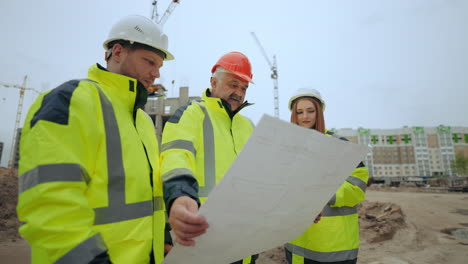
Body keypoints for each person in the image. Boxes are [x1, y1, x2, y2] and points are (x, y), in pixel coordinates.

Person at [16, 15, 174, 264]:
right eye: (149, 62)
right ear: (118, 52)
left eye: (159, 67)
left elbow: (149, 196)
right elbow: (49, 204)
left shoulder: (142, 121)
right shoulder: (71, 100)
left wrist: (163, 237)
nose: (155, 73)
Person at [160, 51, 258, 264]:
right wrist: (179, 195)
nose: (239, 93)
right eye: (233, 84)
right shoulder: (192, 114)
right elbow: (175, 157)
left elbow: (260, 177)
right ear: (214, 82)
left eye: (244, 88)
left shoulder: (248, 126)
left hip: (242, 239)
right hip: (203, 236)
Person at [284, 88, 369, 264]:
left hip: (336, 245)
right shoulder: (288, 149)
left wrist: (323, 192)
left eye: (310, 110)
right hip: (299, 243)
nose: (304, 116)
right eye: (299, 112)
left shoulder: (340, 145)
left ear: (319, 112)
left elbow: (357, 186)